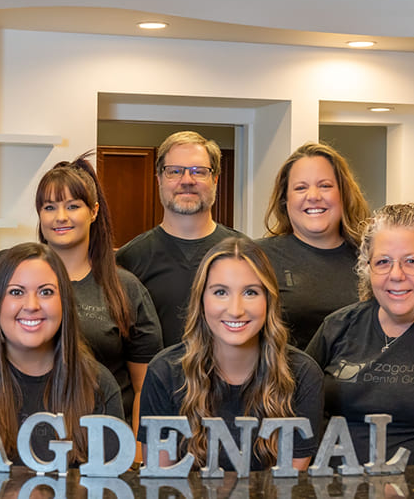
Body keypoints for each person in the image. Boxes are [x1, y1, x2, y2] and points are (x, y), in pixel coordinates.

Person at [0, 242, 124, 463]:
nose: (31, 305)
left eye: (46, 292)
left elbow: (109, 489)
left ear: (64, 303)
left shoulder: (98, 385)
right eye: (16, 292)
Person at [139, 236, 323, 471]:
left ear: (269, 300)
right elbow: (161, 483)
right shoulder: (164, 372)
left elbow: (289, 486)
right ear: (201, 300)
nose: (235, 310)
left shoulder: (303, 375)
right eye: (220, 292)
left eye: (250, 293)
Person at [306, 203, 414, 465]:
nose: (396, 275)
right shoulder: (339, 325)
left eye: (411, 261)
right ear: (368, 269)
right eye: (383, 262)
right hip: (334, 488)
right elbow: (292, 398)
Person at [35, 155, 163, 427]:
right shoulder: (20, 283)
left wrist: (137, 453)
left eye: (72, 206)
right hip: (34, 435)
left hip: (110, 439)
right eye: (49, 207)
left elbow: (145, 387)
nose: (60, 217)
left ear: (93, 212)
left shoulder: (125, 288)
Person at [117, 131, 243, 347]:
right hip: (154, 379)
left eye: (199, 172)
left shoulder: (244, 253)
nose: (187, 181)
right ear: (159, 180)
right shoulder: (129, 260)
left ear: (215, 179)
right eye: (174, 171)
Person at [257, 142, 370, 348]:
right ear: (285, 200)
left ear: (343, 194)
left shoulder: (373, 258)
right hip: (287, 378)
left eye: (325, 186)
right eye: (300, 188)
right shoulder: (258, 257)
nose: (314, 196)